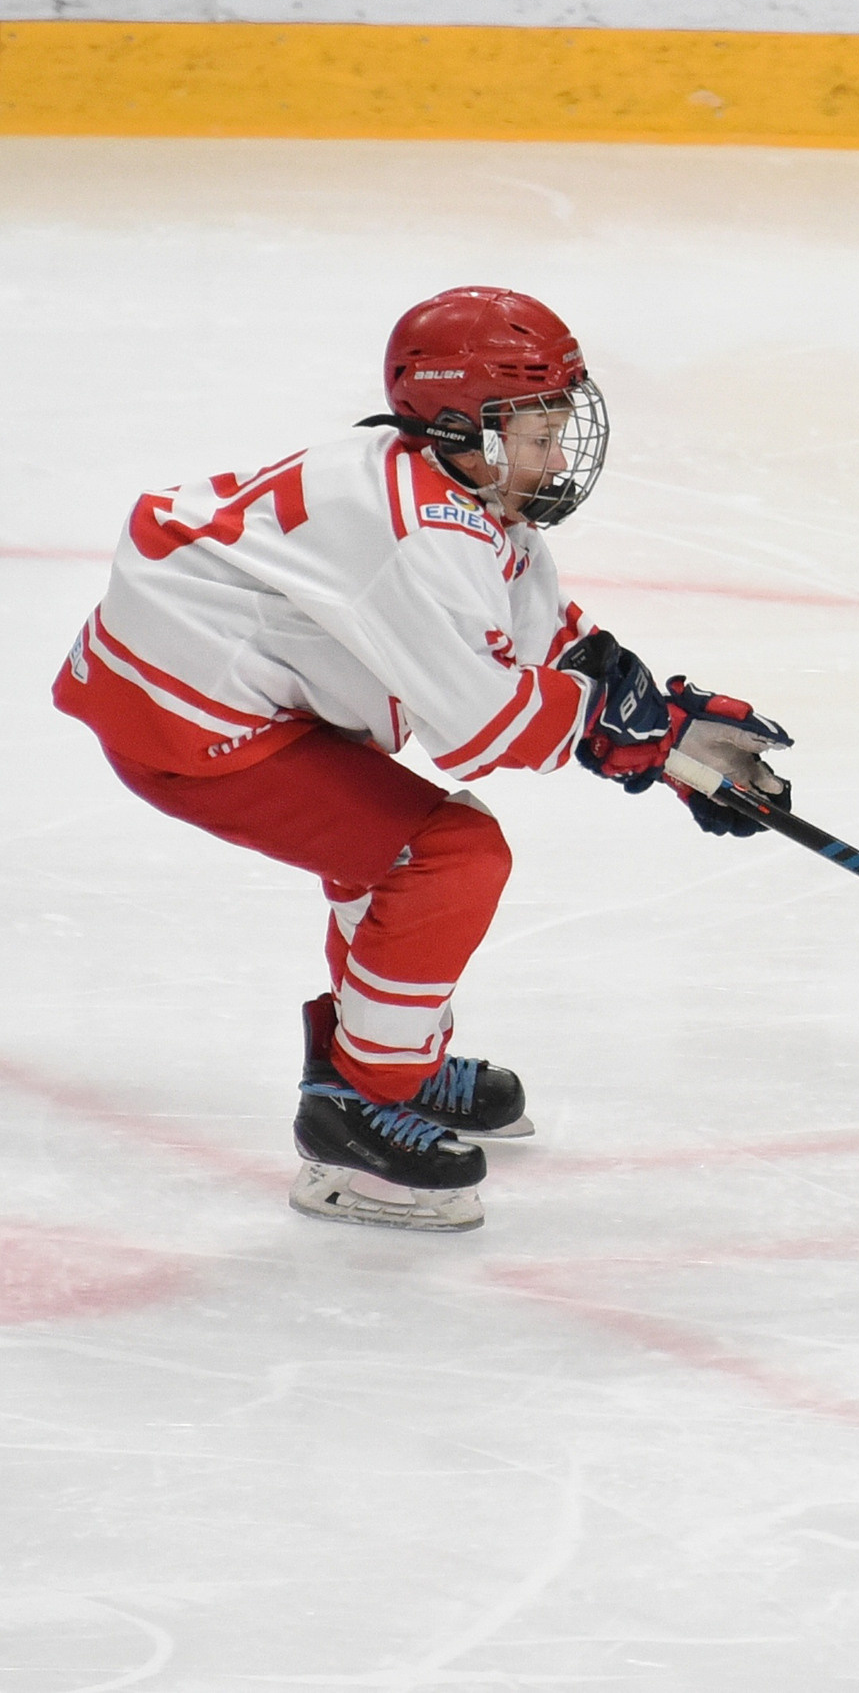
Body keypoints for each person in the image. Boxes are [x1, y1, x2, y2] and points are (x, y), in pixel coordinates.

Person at [51, 286, 793, 1234]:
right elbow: (488, 730)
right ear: (459, 421)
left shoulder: (459, 492)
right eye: (535, 430)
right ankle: (354, 1118)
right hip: (186, 720)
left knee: (388, 859)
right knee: (445, 855)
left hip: (242, 691)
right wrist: (628, 738)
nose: (557, 454)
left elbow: (541, 639)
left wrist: (672, 729)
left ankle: (380, 1064)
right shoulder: (417, 534)